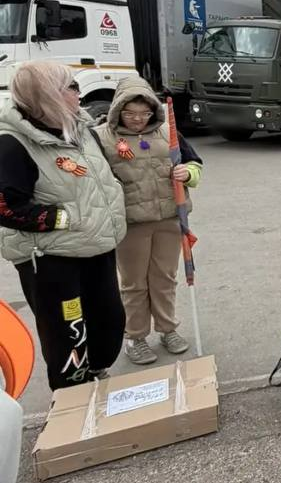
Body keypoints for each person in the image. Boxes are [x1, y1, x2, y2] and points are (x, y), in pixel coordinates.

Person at [0, 61, 127, 390]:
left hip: (96, 245)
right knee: (68, 335)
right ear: (46, 96)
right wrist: (65, 218)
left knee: (110, 322)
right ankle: (72, 400)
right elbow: (6, 208)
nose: (78, 92)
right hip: (52, 258)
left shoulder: (80, 127)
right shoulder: (12, 144)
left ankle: (97, 375)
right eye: (70, 87)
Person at [95, 76, 202, 365]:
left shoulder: (168, 131)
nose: (138, 120)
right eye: (130, 114)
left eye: (143, 114)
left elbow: (195, 163)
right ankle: (136, 336)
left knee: (164, 279)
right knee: (134, 283)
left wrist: (188, 173)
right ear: (118, 110)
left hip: (169, 219)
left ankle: (168, 330)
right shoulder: (102, 137)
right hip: (131, 225)